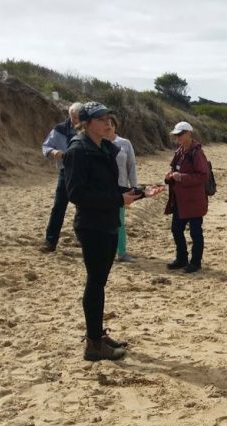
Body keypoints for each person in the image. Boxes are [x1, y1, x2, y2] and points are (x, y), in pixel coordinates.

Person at [64, 102, 163, 361]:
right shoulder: (78, 151)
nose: (108, 123)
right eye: (101, 119)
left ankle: (97, 335)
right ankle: (94, 344)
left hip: (109, 223)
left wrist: (139, 193)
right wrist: (119, 200)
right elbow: (76, 194)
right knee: (95, 283)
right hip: (92, 225)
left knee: (100, 282)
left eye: (109, 118)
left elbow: (112, 188)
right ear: (86, 123)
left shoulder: (107, 148)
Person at [164, 121, 209, 274]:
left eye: (180, 134)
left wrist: (181, 177)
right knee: (176, 229)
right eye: (176, 135)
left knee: (195, 232)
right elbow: (174, 169)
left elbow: (203, 176)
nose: (178, 137)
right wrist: (169, 176)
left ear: (189, 134)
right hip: (180, 199)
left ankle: (195, 262)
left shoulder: (197, 153)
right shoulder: (180, 151)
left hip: (194, 200)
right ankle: (181, 258)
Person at [41, 102, 83, 252]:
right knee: (59, 207)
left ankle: (81, 239)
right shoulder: (59, 129)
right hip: (66, 172)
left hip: (84, 173)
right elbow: (46, 146)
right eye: (72, 117)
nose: (74, 120)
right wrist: (53, 152)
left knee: (83, 207)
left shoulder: (88, 130)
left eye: (78, 117)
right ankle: (50, 241)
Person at [107, 115, 138, 263]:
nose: (108, 127)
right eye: (105, 124)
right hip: (103, 187)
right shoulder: (98, 143)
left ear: (115, 126)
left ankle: (122, 252)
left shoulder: (124, 143)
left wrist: (134, 186)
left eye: (111, 124)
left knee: (119, 221)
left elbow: (131, 165)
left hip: (121, 187)